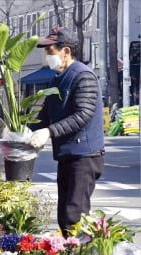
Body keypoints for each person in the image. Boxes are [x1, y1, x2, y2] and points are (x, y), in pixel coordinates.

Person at [29, 27, 105, 236]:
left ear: (66, 51)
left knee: (75, 214)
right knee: (65, 213)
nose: (48, 56)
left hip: (84, 156)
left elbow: (83, 115)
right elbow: (45, 114)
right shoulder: (58, 78)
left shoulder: (83, 76)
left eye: (50, 51)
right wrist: (22, 131)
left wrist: (49, 132)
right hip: (69, 155)